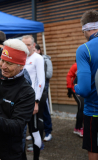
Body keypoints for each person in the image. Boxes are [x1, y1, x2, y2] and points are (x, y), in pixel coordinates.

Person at [74, 9, 98, 160]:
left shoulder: (84, 49)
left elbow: (83, 89)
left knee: (94, 149)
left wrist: (75, 87)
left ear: (85, 29)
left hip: (94, 111)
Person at [22, 35, 45, 159]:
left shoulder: (38, 58)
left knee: (34, 130)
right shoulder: (22, 58)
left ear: (33, 45)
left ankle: (36, 157)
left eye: (28, 45)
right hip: (22, 101)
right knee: (21, 131)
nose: (26, 47)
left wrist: (36, 101)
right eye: (24, 44)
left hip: (34, 100)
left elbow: (40, 81)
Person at [35, 44, 53, 142]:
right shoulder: (32, 59)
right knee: (35, 112)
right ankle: (36, 132)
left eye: (34, 50)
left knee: (45, 110)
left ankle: (48, 132)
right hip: (34, 89)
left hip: (43, 89)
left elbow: (49, 74)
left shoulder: (46, 60)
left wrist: (39, 73)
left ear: (39, 50)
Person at [67, 62, 84, 137]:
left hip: (84, 91)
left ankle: (77, 128)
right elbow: (69, 76)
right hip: (75, 90)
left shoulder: (88, 65)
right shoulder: (75, 66)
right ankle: (79, 128)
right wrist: (69, 88)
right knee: (82, 106)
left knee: (81, 108)